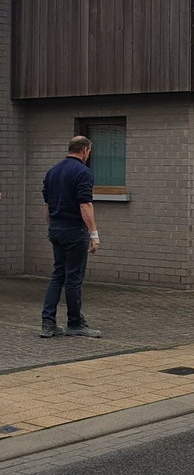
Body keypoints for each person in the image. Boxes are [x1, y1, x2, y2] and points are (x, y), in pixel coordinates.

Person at [40, 136, 103, 338]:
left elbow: (47, 205)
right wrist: (94, 234)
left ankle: (48, 323)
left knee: (58, 275)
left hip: (56, 229)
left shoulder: (52, 172)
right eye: (89, 152)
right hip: (75, 231)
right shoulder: (83, 173)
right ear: (84, 150)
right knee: (74, 278)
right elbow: (85, 204)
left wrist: (53, 228)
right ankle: (75, 323)